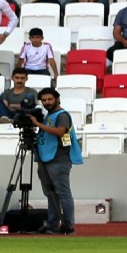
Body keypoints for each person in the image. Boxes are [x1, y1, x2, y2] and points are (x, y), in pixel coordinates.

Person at [29, 88, 83, 235]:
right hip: (45, 158)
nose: (47, 102)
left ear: (57, 98)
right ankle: (53, 224)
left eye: (49, 99)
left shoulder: (62, 115)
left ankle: (68, 225)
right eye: (44, 100)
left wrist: (38, 124)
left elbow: (60, 132)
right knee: (51, 194)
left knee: (63, 193)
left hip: (58, 159)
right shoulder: (49, 115)